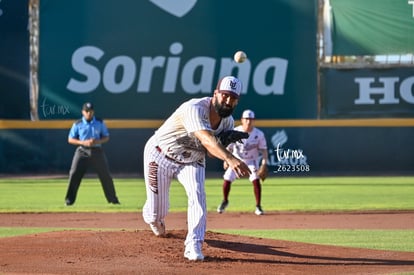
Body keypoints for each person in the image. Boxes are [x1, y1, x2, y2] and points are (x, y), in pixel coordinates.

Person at [142, 76, 251, 261]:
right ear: (215, 94)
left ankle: (194, 244)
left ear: (237, 102)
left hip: (193, 160)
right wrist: (231, 158)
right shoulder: (194, 108)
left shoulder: (228, 122)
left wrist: (223, 143)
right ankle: (154, 216)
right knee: (156, 213)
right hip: (160, 155)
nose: (227, 101)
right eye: (224, 95)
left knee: (198, 196)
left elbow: (209, 153)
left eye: (233, 98)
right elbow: (206, 140)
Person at [64, 102, 120, 206]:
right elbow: (70, 139)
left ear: (93, 111)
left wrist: (97, 141)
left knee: (105, 176)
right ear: (83, 112)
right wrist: (83, 142)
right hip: (82, 150)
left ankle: (113, 200)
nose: (89, 113)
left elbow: (106, 137)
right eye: (87, 111)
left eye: (91, 111)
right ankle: (69, 200)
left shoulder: (99, 122)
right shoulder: (78, 123)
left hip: (97, 150)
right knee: (74, 173)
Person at [217, 109, 268, 215]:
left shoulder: (259, 134)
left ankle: (258, 206)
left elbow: (264, 150)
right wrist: (227, 160)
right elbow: (228, 147)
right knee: (227, 178)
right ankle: (225, 201)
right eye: (246, 119)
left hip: (251, 161)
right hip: (236, 159)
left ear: (254, 120)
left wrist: (263, 164)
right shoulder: (236, 131)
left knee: (255, 179)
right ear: (242, 120)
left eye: (251, 119)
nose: (248, 121)